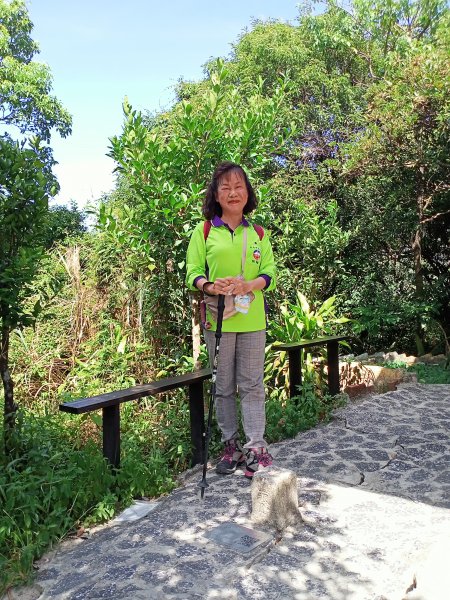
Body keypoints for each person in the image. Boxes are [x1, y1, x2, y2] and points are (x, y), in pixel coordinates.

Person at [186, 161, 276, 479]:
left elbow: (269, 274)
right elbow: (193, 273)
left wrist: (248, 285)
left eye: (239, 186)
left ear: (247, 192)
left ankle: (255, 448)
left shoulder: (259, 233)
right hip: (219, 320)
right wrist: (211, 286)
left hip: (252, 320)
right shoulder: (205, 230)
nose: (233, 192)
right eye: (225, 187)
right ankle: (230, 447)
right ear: (216, 195)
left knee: (252, 385)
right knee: (223, 387)